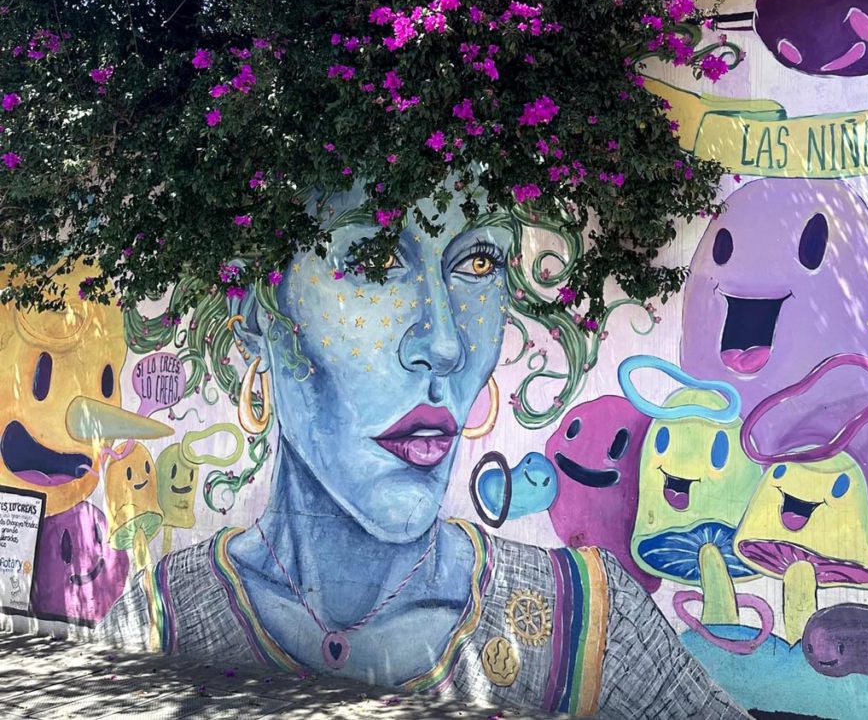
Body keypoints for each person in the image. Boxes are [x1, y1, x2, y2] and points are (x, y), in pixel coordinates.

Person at [99, 190, 745, 719]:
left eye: (478, 263)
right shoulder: (161, 621)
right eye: (377, 262)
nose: (443, 344)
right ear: (258, 311)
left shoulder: (591, 631)